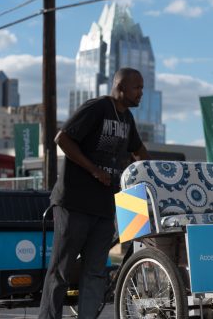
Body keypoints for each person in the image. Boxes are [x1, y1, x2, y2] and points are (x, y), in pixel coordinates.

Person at [39, 68, 151, 319]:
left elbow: (139, 151)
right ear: (121, 87)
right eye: (137, 88)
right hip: (74, 203)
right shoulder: (97, 108)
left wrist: (153, 173)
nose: (141, 93)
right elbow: (63, 138)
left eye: (142, 88)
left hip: (104, 206)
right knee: (62, 270)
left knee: (95, 272)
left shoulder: (126, 120)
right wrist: (93, 170)